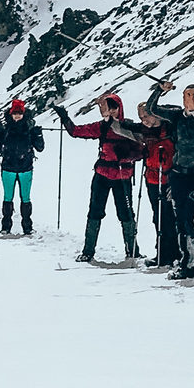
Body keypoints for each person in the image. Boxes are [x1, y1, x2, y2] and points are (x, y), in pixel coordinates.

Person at [140, 81, 194, 280]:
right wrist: (160, 90)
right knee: (181, 222)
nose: (191, 99)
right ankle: (188, 265)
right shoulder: (177, 116)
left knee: (193, 222)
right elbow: (151, 108)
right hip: (177, 175)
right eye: (188, 95)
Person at [61, 92, 145, 263]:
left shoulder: (128, 126)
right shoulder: (102, 126)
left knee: (126, 213)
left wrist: (128, 155)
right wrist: (65, 118)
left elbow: (142, 150)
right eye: (109, 107)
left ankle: (132, 251)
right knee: (95, 212)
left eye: (114, 107)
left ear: (119, 108)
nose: (112, 111)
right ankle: (88, 251)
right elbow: (76, 132)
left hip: (122, 175)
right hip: (104, 176)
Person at [0, 96, 46, 235]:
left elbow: (40, 147)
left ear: (23, 113)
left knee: (24, 197)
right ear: (11, 114)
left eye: (19, 113)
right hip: (12, 167)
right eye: (15, 113)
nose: (17, 116)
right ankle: (7, 226)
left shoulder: (29, 129)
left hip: (21, 168)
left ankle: (26, 226)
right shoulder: (6, 129)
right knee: (8, 197)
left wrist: (38, 135)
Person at [141, 101, 178, 267]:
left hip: (167, 179)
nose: (144, 121)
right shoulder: (146, 132)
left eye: (146, 116)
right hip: (152, 179)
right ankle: (163, 252)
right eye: (141, 118)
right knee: (158, 217)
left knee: (169, 217)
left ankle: (174, 253)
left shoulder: (169, 129)